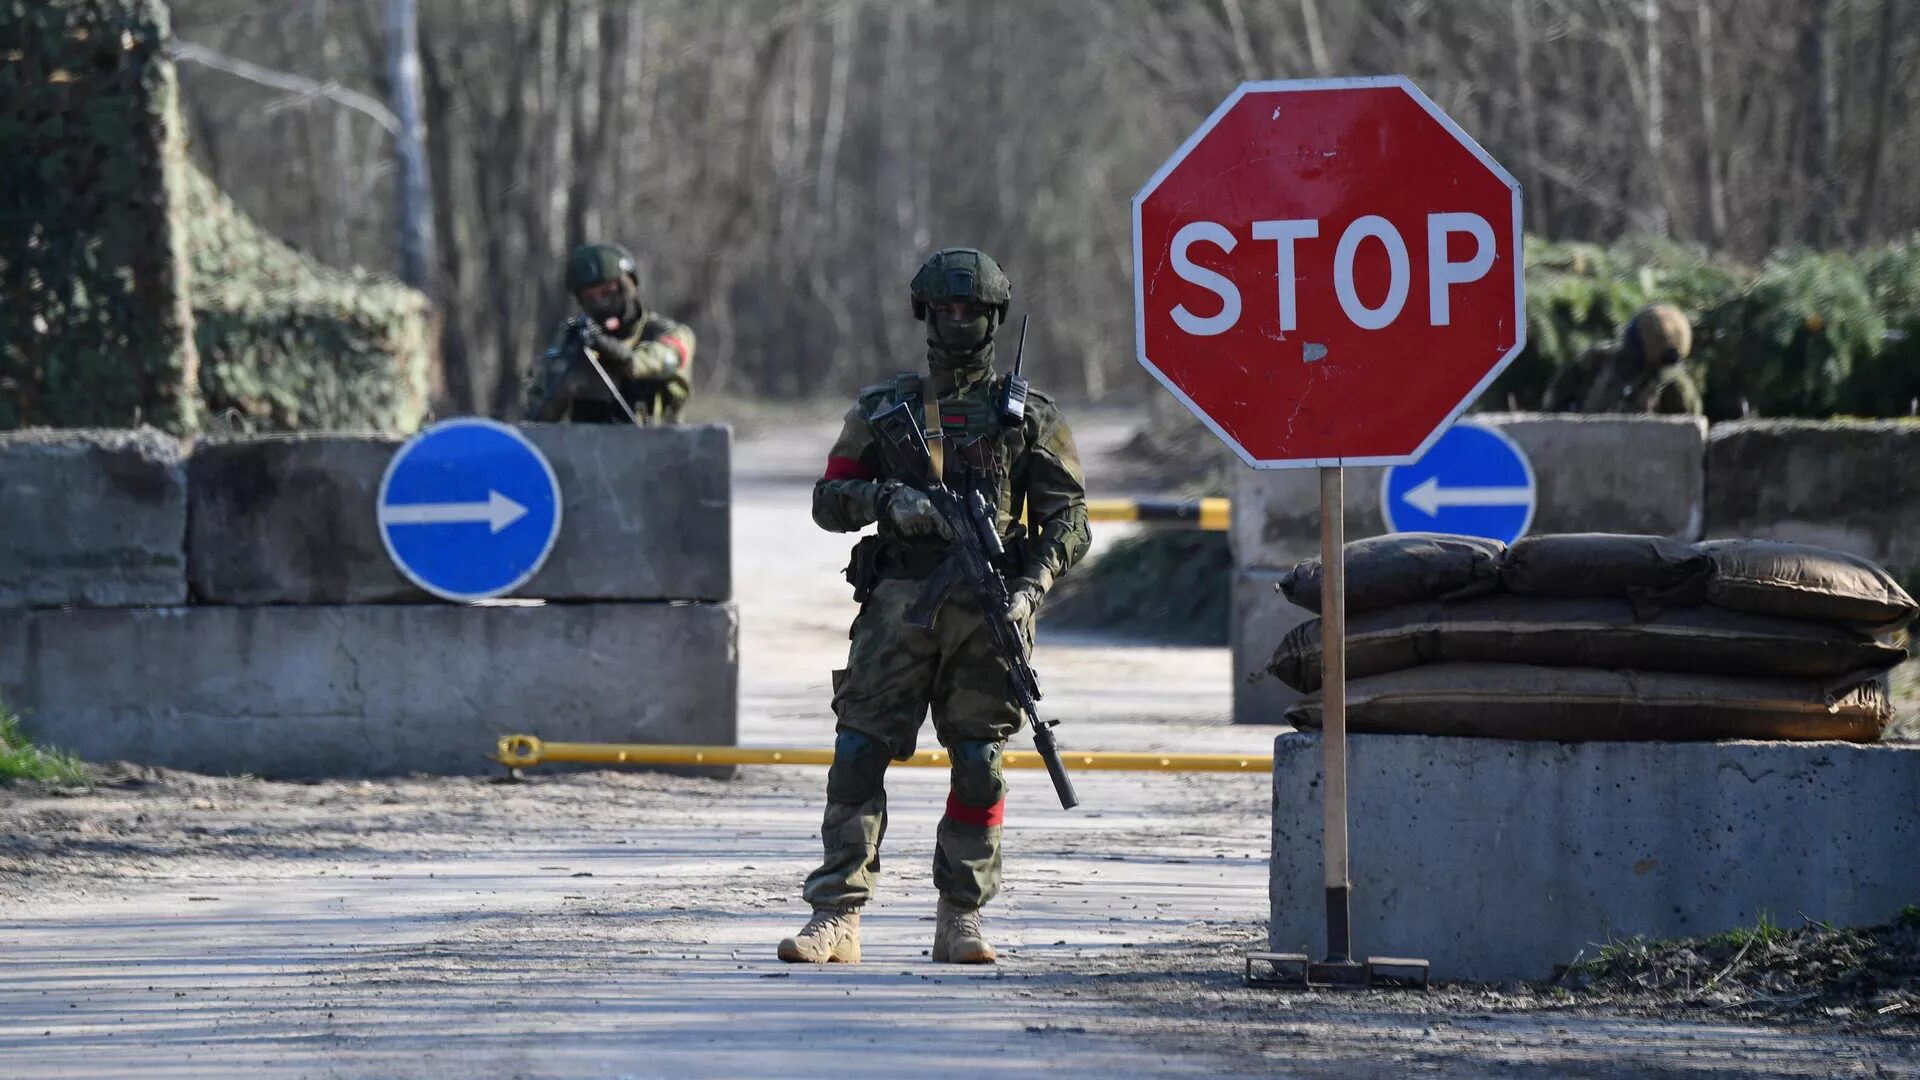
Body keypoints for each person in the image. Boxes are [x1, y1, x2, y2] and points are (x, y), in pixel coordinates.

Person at [777, 248, 1090, 965]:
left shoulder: (1030, 417)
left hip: (992, 609)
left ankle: (962, 915)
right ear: (925, 314)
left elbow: (1071, 520)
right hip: (898, 606)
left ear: (993, 318)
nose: (957, 322)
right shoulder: (884, 410)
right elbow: (829, 500)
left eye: (971, 312)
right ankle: (837, 915)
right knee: (858, 749)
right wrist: (891, 499)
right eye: (945, 310)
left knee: (980, 759)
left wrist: (1030, 586)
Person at [524, 243, 695, 423]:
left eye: (608, 292)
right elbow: (539, 417)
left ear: (629, 286)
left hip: (659, 444)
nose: (601, 303)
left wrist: (618, 355)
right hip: (590, 447)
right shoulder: (574, 341)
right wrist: (568, 369)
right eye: (590, 297)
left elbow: (660, 359)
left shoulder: (669, 333)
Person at [1542, 303, 1702, 415]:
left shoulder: (1675, 388)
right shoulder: (1598, 360)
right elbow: (1555, 401)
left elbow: (1687, 437)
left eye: (1634, 336)